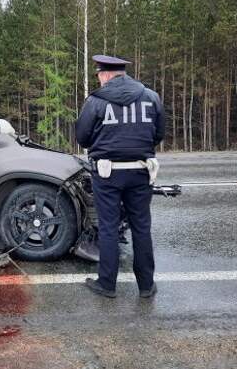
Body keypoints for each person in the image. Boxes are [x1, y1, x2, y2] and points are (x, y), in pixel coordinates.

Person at [75, 55, 165, 298]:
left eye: (98, 75)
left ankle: (107, 284)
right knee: (141, 227)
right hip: (141, 171)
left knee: (108, 228)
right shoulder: (151, 96)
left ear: (105, 75)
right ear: (123, 73)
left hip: (107, 173)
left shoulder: (96, 100)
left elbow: (82, 137)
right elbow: (159, 134)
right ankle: (146, 285)